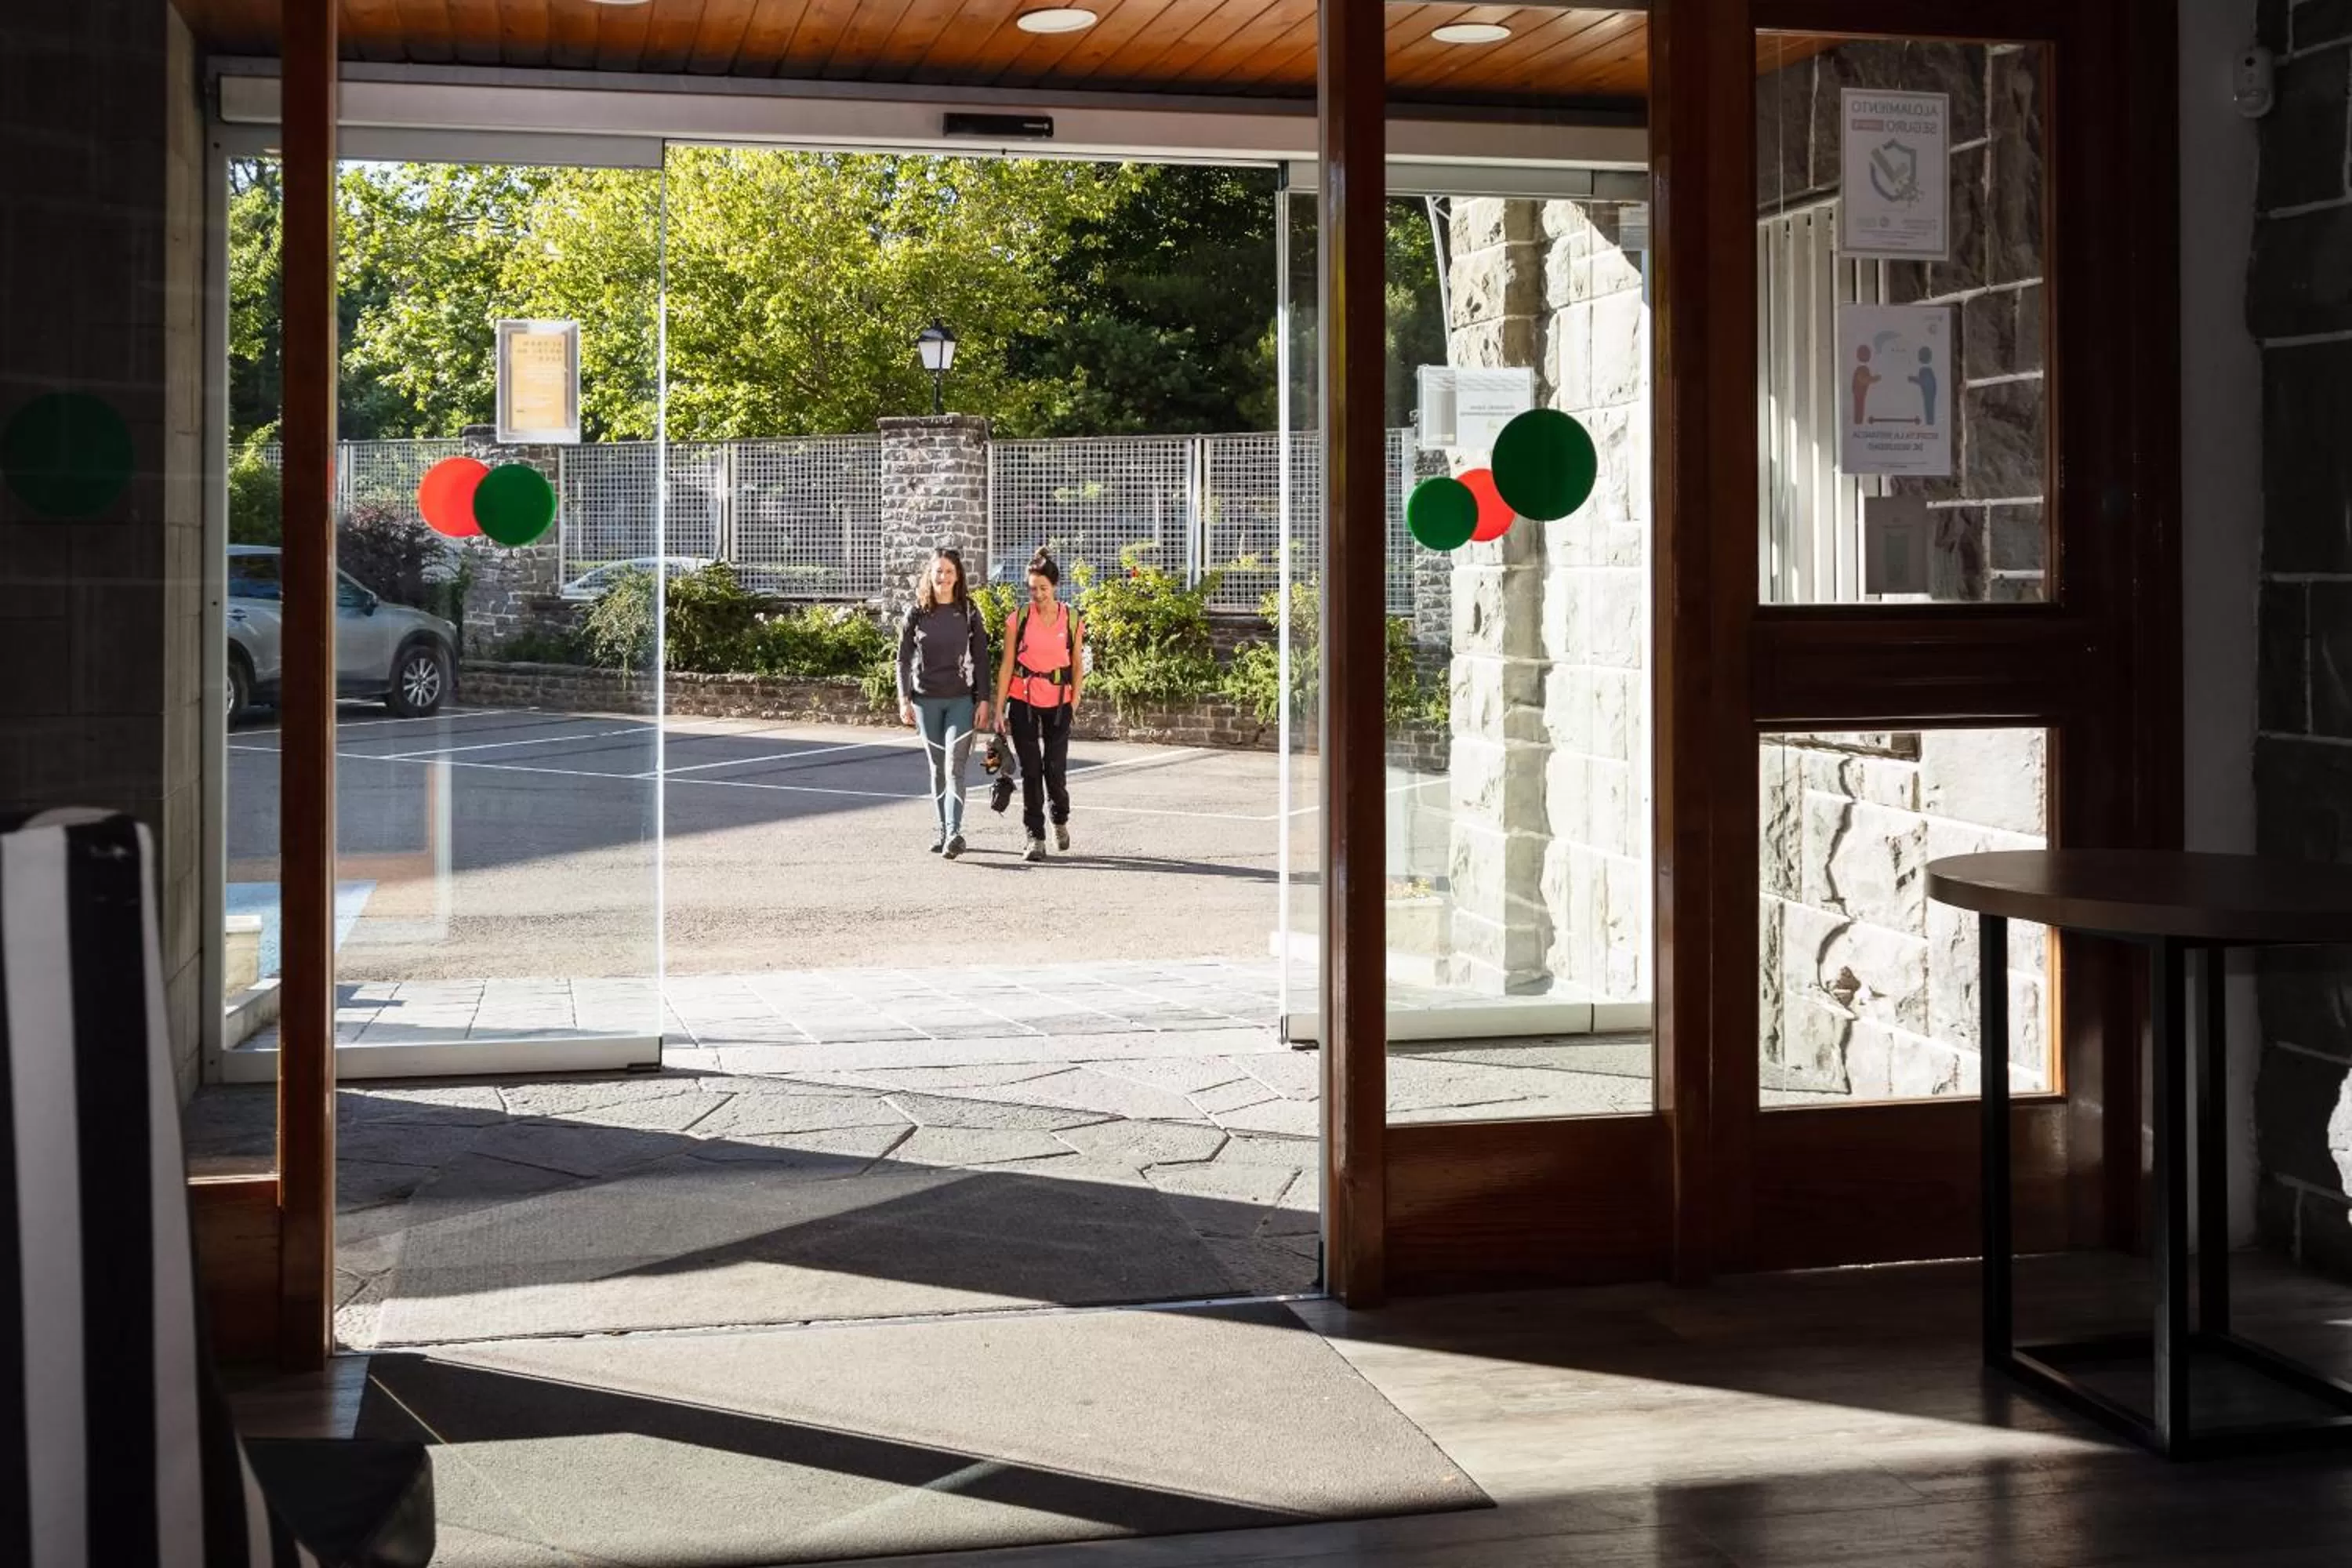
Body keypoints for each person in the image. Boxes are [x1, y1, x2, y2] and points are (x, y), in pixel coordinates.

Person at [896, 548, 991, 858]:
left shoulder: (969, 612)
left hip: (961, 701)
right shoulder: (917, 613)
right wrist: (904, 697)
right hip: (926, 702)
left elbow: (982, 659)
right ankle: (941, 828)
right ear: (930, 574)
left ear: (958, 576)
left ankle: (954, 832)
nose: (944, 577)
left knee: (955, 766)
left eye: (949, 571)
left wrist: (984, 700)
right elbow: (903, 658)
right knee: (937, 768)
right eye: (938, 571)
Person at [993, 549, 1085, 863]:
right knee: (1031, 771)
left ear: (1055, 587)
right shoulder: (1017, 619)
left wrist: (1074, 701)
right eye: (1032, 588)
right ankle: (1035, 836)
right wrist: (998, 709)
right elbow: (1006, 666)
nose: (1038, 594)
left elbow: (1076, 666)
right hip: (1024, 701)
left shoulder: (1071, 619)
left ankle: (1059, 819)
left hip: (1059, 702)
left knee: (1055, 770)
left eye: (1043, 588)